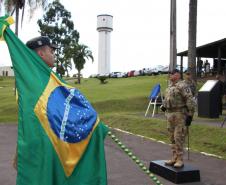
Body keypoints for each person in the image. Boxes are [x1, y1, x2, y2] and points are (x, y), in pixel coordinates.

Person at [13, 36, 57, 170]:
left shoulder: (44, 78)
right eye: (51, 51)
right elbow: (30, 117)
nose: (54, 54)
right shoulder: (34, 82)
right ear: (41, 53)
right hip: (41, 149)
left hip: (49, 147)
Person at [160, 69, 196, 168]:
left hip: (180, 114)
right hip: (170, 114)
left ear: (177, 75)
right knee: (172, 137)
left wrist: (190, 115)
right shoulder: (170, 86)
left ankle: (180, 159)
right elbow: (167, 99)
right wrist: (164, 106)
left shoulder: (183, 85)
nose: (169, 75)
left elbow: (189, 100)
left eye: (171, 74)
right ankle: (174, 157)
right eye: (169, 74)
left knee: (178, 137)